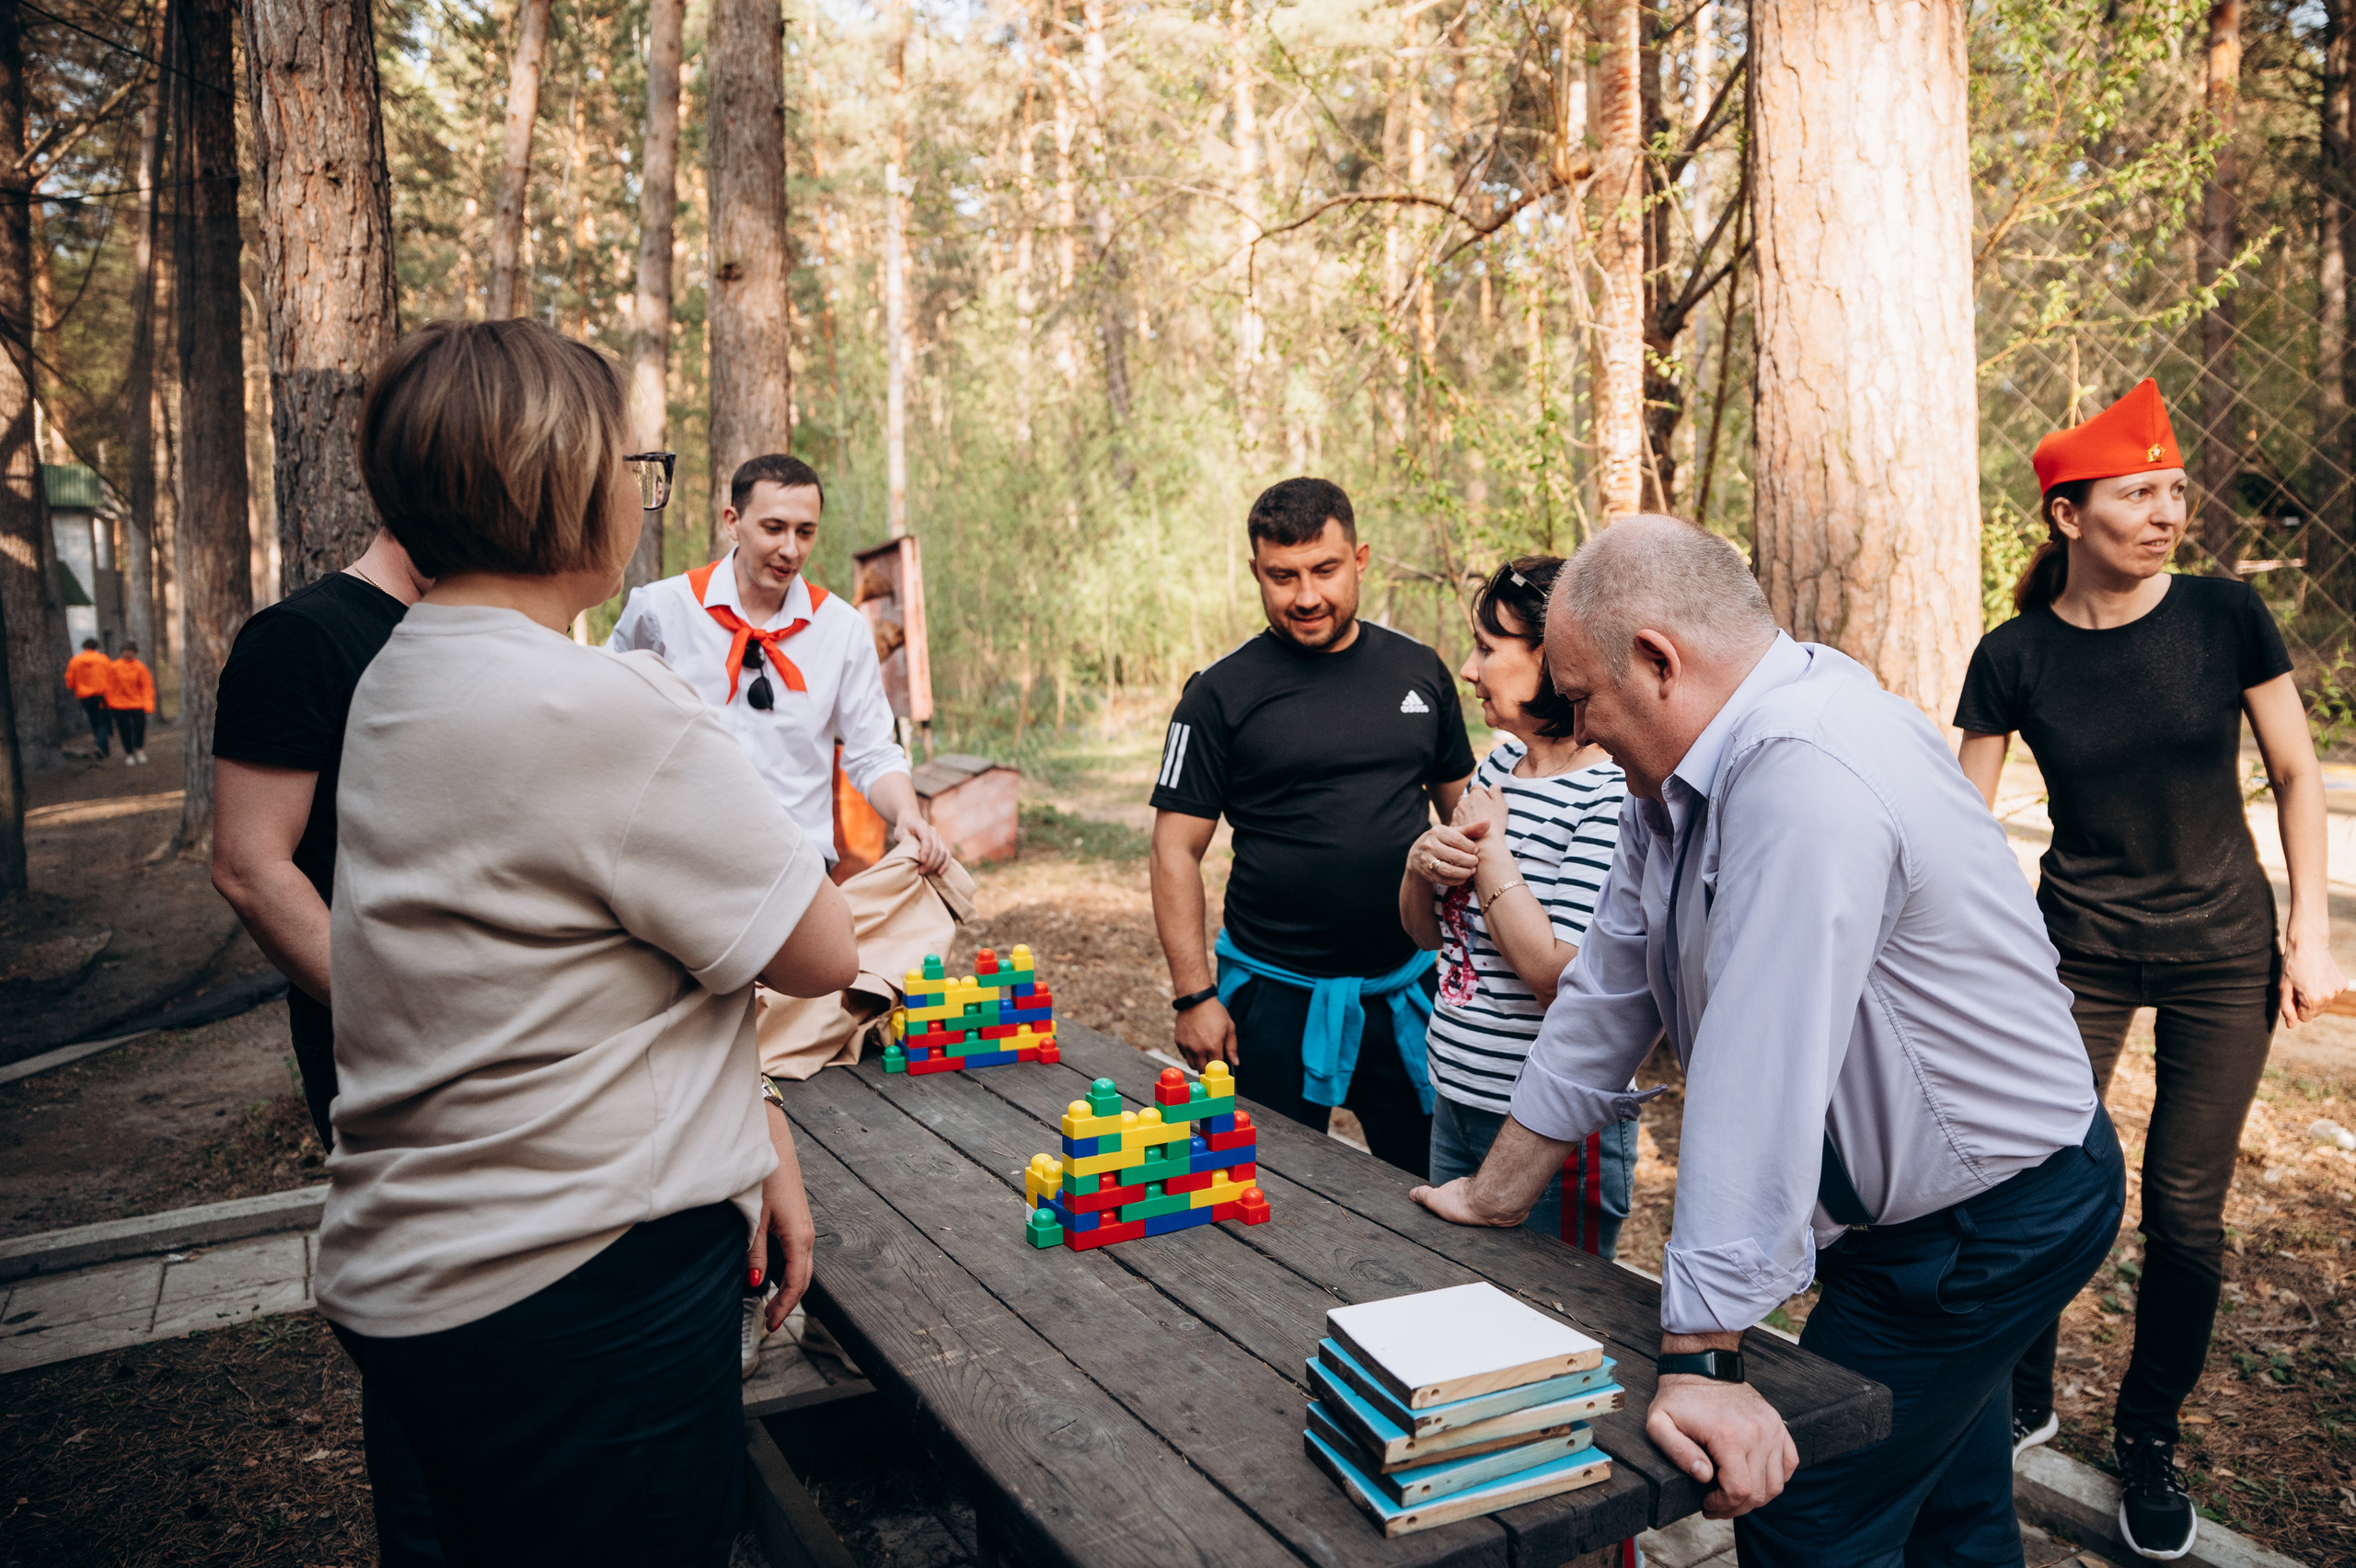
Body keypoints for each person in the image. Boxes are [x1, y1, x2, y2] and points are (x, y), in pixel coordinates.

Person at [1413, 516, 2123, 1565]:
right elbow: (1612, 980)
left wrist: (1704, 1359)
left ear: (1658, 662)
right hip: (1923, 1223)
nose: (1577, 724)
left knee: (1808, 1514)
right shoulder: (1685, 773)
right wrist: (1497, 1187)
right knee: (1948, 1504)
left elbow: (1760, 1058)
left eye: (1583, 697)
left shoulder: (1804, 772)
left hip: (1987, 1223)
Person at [318, 317, 858, 1567]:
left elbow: (566, 977)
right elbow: (822, 948)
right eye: (631, 464)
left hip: (427, 1258)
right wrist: (690, 717)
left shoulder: (405, 671)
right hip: (578, 1280)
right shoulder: (603, 703)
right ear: (559, 485)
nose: (638, 493)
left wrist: (755, 1121)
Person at [1954, 379, 2345, 1561]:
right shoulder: (2012, 653)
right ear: (2068, 517)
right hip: (2069, 955)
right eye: (2137, 494)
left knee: (2184, 1214)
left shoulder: (2225, 618)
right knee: (2031, 1180)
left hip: (2223, 954)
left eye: (2173, 490)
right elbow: (1961, 825)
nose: (2167, 511)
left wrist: (2308, 932)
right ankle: (2023, 1392)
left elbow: (2295, 773)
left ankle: (2148, 1437)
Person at [210, 525, 439, 1562]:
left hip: (503, 1059)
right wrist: (405, 1018)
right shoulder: (300, 640)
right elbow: (254, 866)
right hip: (388, 1057)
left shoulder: (467, 631)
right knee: (423, 1337)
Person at [1149, 477, 1473, 1176]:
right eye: (1282, 576)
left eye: (1324, 570)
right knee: (1261, 1198)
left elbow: (1469, 819)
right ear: (1255, 572)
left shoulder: (1419, 671)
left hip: (1408, 993)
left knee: (1433, 1194)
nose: (1305, 596)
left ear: (1359, 559)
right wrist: (1194, 996)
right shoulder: (1218, 693)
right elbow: (1175, 850)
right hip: (1269, 1002)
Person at [1398, 557, 1634, 1253]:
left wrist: (1492, 853)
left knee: (1545, 1326)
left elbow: (1558, 977)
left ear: (1556, 657)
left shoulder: (1611, 792)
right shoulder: (1500, 763)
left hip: (1549, 1132)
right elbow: (1425, 936)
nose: (1468, 671)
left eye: (1486, 648)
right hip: (1457, 1102)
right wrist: (1419, 867)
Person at [607, 453, 948, 877]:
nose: (790, 549)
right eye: (774, 528)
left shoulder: (841, 630)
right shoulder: (660, 610)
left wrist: (907, 815)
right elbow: (608, 718)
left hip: (797, 868)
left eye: (805, 532)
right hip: (679, 864)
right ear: (733, 522)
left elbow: (873, 753)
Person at [105, 641, 156, 765]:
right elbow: (108, 685)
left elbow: (146, 686)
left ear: (135, 653)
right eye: (125, 651)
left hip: (137, 703)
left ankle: (139, 749)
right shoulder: (113, 667)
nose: (127, 653)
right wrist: (109, 702)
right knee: (124, 729)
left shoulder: (140, 667)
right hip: (118, 704)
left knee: (139, 726)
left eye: (130, 651)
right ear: (121, 652)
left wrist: (148, 704)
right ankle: (129, 753)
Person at [64, 637, 112, 758]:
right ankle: (99, 745)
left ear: (83, 647)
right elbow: (111, 676)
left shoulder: (75, 660)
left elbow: (70, 679)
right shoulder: (103, 659)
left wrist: (74, 687)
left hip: (84, 695)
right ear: (96, 647)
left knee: (93, 720)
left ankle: (103, 750)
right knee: (103, 721)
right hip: (101, 695)